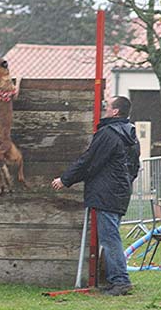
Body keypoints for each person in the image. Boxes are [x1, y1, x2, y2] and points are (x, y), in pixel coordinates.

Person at [52, 96, 140, 296]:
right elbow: (134, 166)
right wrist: (123, 183)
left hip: (106, 193)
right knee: (111, 236)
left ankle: (121, 281)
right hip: (120, 192)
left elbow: (88, 160)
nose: (105, 109)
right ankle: (115, 279)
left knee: (110, 239)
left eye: (107, 106)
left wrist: (65, 179)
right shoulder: (131, 134)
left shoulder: (109, 134)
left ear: (115, 111)